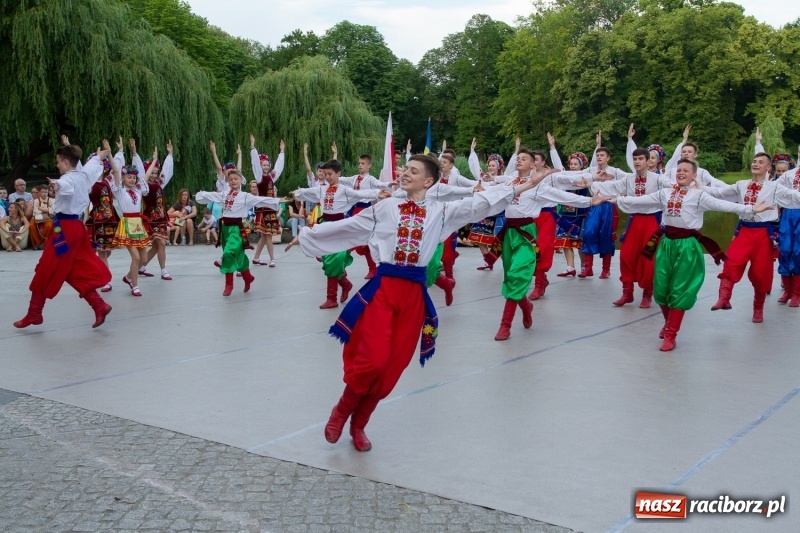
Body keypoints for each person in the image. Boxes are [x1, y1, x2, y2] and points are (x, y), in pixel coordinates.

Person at [287, 153, 547, 452]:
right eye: (405, 169)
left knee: (392, 366)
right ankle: (342, 410)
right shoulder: (386, 207)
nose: (405, 173)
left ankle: (359, 424)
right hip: (383, 291)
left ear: (428, 181)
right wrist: (307, 235)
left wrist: (526, 185)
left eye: (413, 170)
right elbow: (350, 226)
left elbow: (482, 202)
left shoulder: (442, 212)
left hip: (412, 297)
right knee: (372, 360)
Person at [612, 159, 773, 351]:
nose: (681, 173)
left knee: (679, 290)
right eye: (679, 170)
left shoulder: (699, 195)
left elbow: (723, 205)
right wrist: (616, 199)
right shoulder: (665, 193)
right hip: (666, 244)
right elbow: (640, 201)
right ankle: (668, 323)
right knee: (661, 290)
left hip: (687, 246)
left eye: (686, 171)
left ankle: (671, 335)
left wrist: (750, 209)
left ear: (694, 175)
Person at [492, 148, 608, 340]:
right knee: (510, 277)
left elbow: (563, 196)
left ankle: (505, 326)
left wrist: (589, 201)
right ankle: (526, 307)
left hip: (526, 234)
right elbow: (491, 193)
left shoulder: (540, 186)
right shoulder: (510, 182)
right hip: (508, 233)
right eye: (518, 158)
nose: (519, 160)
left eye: (524, 159)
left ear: (533, 164)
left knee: (517, 276)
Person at [14, 142, 113, 329]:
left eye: (58, 161)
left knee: (46, 267)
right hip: (75, 228)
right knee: (71, 269)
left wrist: (55, 184)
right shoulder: (84, 174)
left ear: (66, 162)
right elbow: (93, 164)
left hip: (65, 230)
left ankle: (35, 313)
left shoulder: (66, 180)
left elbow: (64, 186)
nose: (57, 164)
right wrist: (99, 156)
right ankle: (98, 304)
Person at [704, 152, 800, 322]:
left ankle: (758, 309)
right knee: (731, 261)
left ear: (768, 167)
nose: (756, 164)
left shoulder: (774, 187)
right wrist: (699, 188)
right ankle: (724, 298)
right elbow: (720, 193)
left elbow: (794, 196)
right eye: (754, 161)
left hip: (763, 233)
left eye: (761, 162)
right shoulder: (741, 184)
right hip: (744, 231)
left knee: (760, 273)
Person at [292, 159, 385, 309]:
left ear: (338, 174)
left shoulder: (344, 190)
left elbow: (360, 194)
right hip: (324, 226)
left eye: (330, 174)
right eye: (325, 174)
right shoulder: (321, 189)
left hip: (340, 227)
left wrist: (377, 193)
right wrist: (297, 193)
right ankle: (345, 284)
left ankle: (332, 298)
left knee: (333, 260)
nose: (327, 177)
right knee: (326, 259)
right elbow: (308, 192)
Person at [594, 148, 674, 308]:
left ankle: (647, 294)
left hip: (652, 222)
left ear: (648, 161)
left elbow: (671, 186)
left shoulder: (658, 179)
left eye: (640, 159)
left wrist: (681, 186)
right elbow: (610, 187)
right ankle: (627, 292)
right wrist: (590, 183)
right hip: (634, 220)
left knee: (649, 257)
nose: (637, 162)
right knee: (626, 255)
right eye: (635, 159)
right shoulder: (628, 179)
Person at [195, 169, 283, 296]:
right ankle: (248, 277)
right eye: (230, 180)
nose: (233, 181)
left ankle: (229, 284)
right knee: (238, 256)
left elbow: (260, 200)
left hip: (236, 229)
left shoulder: (245, 196)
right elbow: (211, 195)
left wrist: (277, 201)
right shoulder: (224, 194)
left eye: (236, 179)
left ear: (241, 180)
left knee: (228, 252)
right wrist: (200, 194)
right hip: (225, 229)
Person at [337, 149, 392, 279]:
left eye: (363, 163)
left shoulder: (370, 179)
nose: (360, 165)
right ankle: (341, 264)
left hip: (365, 210)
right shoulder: (354, 178)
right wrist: (330, 174)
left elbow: (379, 184)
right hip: (353, 210)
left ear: (369, 165)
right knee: (351, 238)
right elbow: (340, 179)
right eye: (359, 163)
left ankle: (372, 269)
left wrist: (389, 184)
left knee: (364, 243)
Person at [111, 144, 153, 297]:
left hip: (138, 225)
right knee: (136, 258)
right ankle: (135, 286)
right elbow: (116, 171)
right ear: (122, 178)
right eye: (129, 177)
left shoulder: (138, 189)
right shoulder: (119, 191)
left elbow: (146, 175)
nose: (132, 179)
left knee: (144, 258)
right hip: (127, 224)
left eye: (134, 177)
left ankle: (129, 277)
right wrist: (113, 153)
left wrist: (139, 154)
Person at [138, 140, 175, 280]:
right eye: (151, 173)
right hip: (150, 219)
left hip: (161, 218)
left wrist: (169, 155)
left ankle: (142, 267)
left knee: (157, 245)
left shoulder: (159, 183)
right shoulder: (143, 186)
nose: (154, 175)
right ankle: (163, 270)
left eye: (155, 173)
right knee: (160, 243)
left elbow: (167, 172)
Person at [467, 137, 506, 270]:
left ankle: (506, 262)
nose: (490, 167)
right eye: (489, 165)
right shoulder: (483, 178)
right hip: (485, 213)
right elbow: (475, 168)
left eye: (493, 165)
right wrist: (472, 151)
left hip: (498, 213)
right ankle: (488, 261)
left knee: (500, 241)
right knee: (479, 237)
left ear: (499, 167)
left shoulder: (503, 179)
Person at [250, 135, 285, 267]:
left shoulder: (271, 177)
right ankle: (272, 259)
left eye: (267, 164)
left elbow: (279, 167)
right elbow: (254, 164)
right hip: (263, 209)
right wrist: (253, 148)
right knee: (268, 235)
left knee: (265, 236)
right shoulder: (259, 177)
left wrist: (282, 152)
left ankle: (256, 258)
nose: (265, 166)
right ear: (260, 166)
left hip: (270, 209)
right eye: (263, 165)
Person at [29, 185, 55, 249]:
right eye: (43, 192)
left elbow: (52, 211)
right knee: (31, 225)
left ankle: (44, 243)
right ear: (39, 192)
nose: (45, 194)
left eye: (46, 192)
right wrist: (47, 210)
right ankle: (36, 243)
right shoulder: (36, 201)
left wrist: (41, 209)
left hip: (48, 218)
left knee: (49, 226)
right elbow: (35, 212)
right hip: (37, 217)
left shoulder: (51, 200)